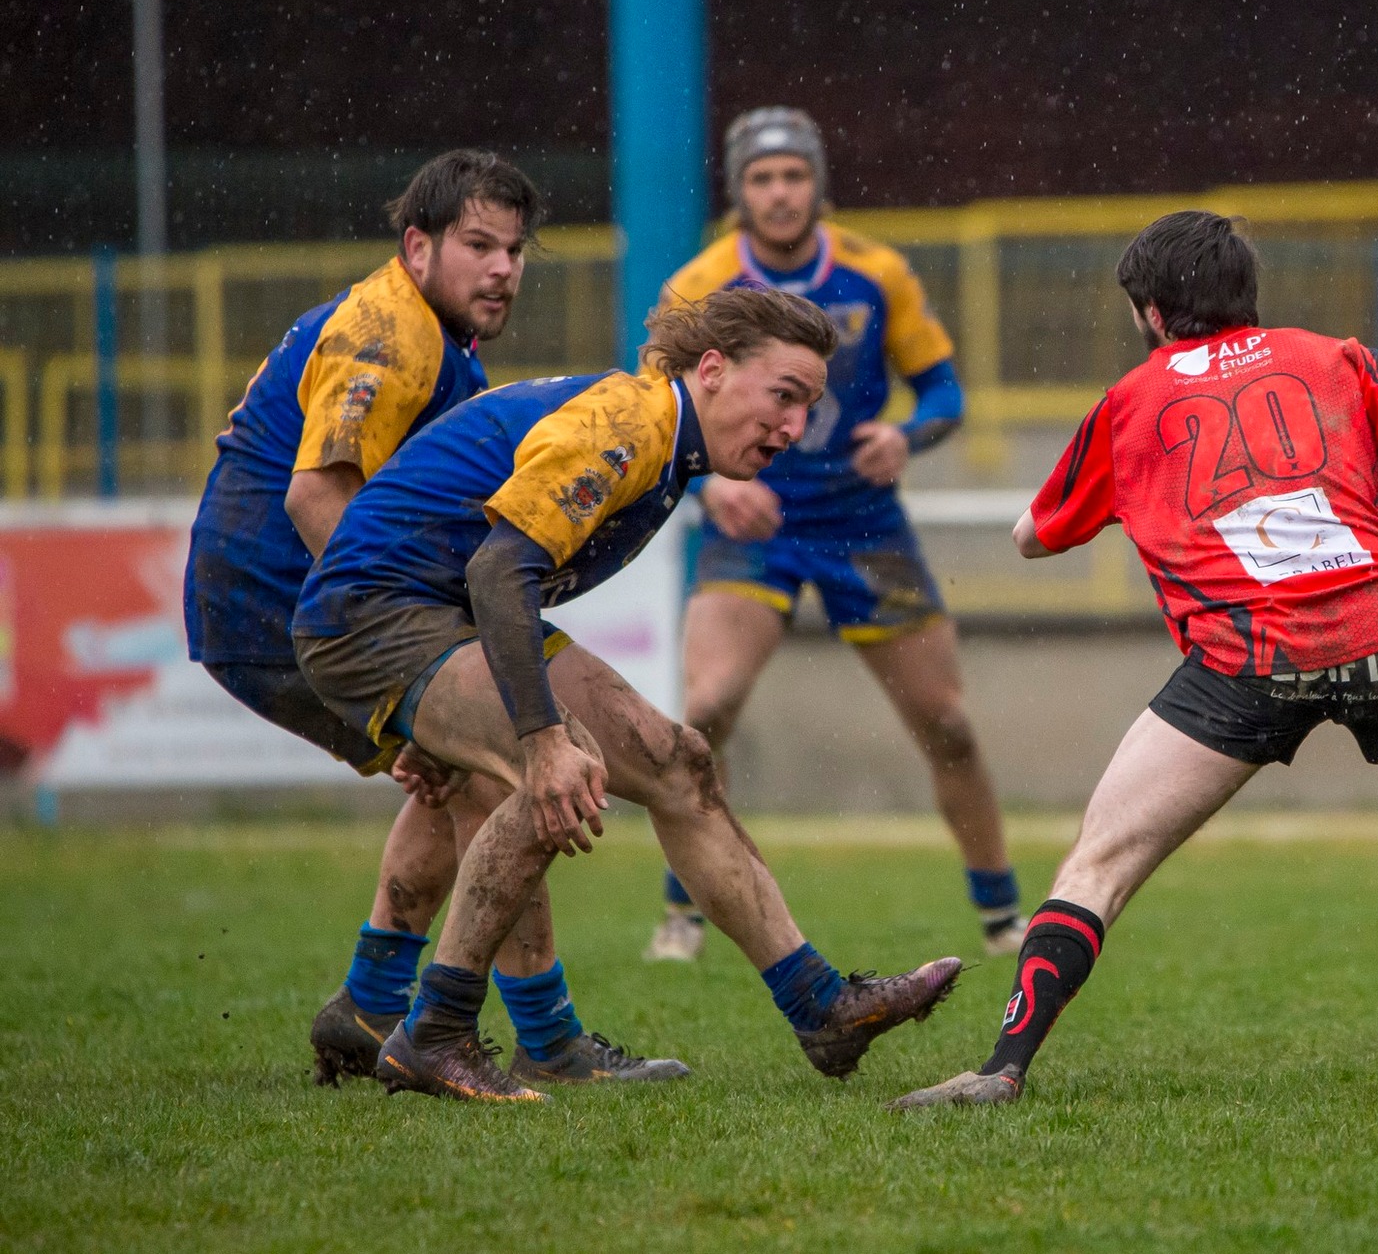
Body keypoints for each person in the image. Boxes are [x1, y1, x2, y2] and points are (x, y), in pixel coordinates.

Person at [890, 212, 1378, 1110]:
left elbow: (1032, 537)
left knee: (1101, 864)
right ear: (1247, 293)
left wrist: (1148, 490)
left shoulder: (1129, 403)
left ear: (1152, 313)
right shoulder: (1329, 356)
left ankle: (1001, 1067)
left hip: (1244, 655)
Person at [293, 287, 962, 1103]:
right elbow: (501, 570)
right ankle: (434, 1031)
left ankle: (820, 1006)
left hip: (446, 608)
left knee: (679, 762)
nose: (793, 428)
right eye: (783, 397)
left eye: (808, 407)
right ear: (712, 370)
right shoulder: (628, 426)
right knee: (558, 767)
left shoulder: (669, 444)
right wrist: (535, 740)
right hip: (376, 613)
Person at [181, 150, 677, 1088]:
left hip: (280, 605)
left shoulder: (435, 337)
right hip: (279, 602)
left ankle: (368, 1007)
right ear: (418, 246)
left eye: (515, 249)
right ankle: (546, 1037)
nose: (503, 268)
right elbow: (315, 499)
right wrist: (401, 652)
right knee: (506, 765)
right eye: (478, 245)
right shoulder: (388, 333)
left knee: (453, 775)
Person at [646, 107, 1024, 963]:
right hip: (756, 522)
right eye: (761, 178)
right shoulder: (701, 284)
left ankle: (1003, 917)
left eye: (793, 175)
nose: (779, 193)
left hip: (863, 522)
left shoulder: (875, 271)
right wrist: (709, 488)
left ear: (817, 183)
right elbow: (654, 411)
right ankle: (684, 914)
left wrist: (906, 435)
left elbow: (945, 396)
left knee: (949, 723)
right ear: (739, 191)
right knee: (703, 715)